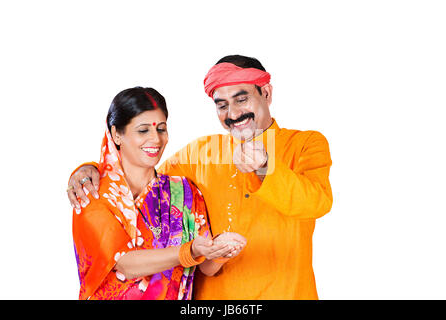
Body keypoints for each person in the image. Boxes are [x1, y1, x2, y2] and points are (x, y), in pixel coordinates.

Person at [68, 55, 333, 299]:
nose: (233, 114)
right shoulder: (204, 152)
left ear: (266, 93)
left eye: (241, 99)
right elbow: (145, 174)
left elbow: (317, 202)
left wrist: (265, 166)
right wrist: (91, 168)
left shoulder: (305, 144)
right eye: (222, 105)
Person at [71, 86, 246, 300]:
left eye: (161, 129)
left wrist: (220, 251)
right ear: (116, 134)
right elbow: (125, 264)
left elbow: (205, 268)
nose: (156, 139)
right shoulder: (91, 191)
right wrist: (189, 251)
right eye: (143, 130)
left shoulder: (183, 190)